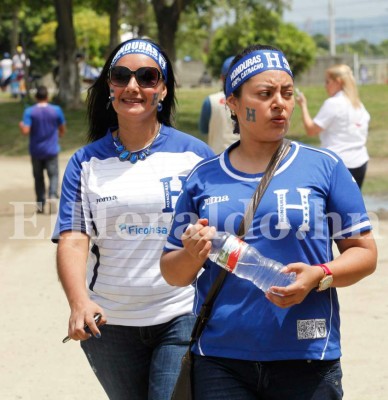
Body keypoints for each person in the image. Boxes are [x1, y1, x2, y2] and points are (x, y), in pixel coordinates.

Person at [160, 44, 377, 400]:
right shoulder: (203, 178)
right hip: (221, 358)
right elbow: (173, 273)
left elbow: (364, 254)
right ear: (232, 103)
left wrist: (320, 276)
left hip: (307, 354)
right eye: (264, 94)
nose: (280, 103)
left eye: (287, 93)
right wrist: (193, 252)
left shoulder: (325, 167)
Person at [52, 38, 214, 400]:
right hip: (108, 324)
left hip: (180, 314)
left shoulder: (195, 155)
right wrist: (79, 302)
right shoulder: (85, 162)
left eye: (147, 77)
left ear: (163, 89)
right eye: (122, 76)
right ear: (110, 86)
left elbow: (214, 236)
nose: (133, 86)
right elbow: (74, 238)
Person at [296, 64, 370, 189]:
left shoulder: (333, 103)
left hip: (338, 164)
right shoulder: (359, 105)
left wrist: (303, 106)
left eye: (327, 82)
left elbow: (311, 130)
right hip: (360, 162)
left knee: (333, 207)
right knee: (353, 205)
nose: (325, 86)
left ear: (338, 82)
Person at [19, 85, 66, 214]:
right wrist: (60, 135)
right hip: (51, 149)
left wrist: (21, 125)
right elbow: (62, 127)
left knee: (38, 178)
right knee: (54, 175)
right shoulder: (56, 110)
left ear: (36, 97)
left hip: (36, 150)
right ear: (47, 96)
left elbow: (25, 131)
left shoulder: (29, 111)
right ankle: (52, 196)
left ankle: (40, 204)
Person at [198, 56, 238, 154]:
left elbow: (203, 129)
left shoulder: (210, 101)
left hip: (216, 157)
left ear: (222, 78)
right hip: (245, 159)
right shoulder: (252, 101)